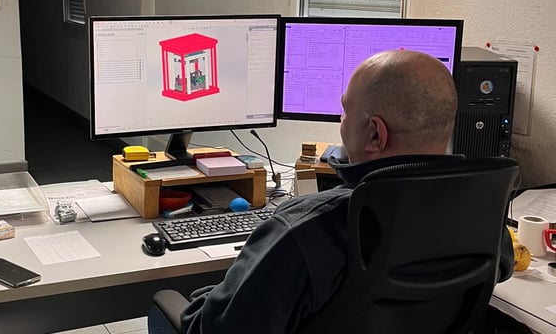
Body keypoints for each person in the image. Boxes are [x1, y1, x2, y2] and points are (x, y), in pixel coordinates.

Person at [150, 50, 515, 334]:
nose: (341, 122)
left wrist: (213, 293)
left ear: (375, 134)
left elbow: (218, 328)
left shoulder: (308, 227)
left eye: (344, 111)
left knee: (164, 307)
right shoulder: (483, 210)